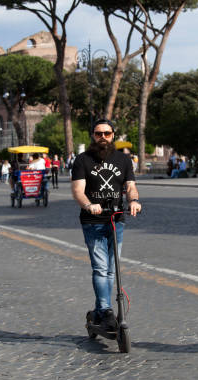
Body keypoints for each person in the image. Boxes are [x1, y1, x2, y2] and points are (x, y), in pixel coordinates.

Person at [71, 119, 142, 331]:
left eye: (107, 133)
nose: (103, 137)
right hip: (93, 222)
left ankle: (100, 311)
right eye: (98, 133)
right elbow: (77, 190)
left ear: (113, 135)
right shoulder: (83, 160)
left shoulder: (123, 159)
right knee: (101, 269)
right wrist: (88, 205)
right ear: (93, 135)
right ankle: (105, 310)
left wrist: (133, 201)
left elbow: (130, 186)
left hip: (116, 219)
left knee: (112, 269)